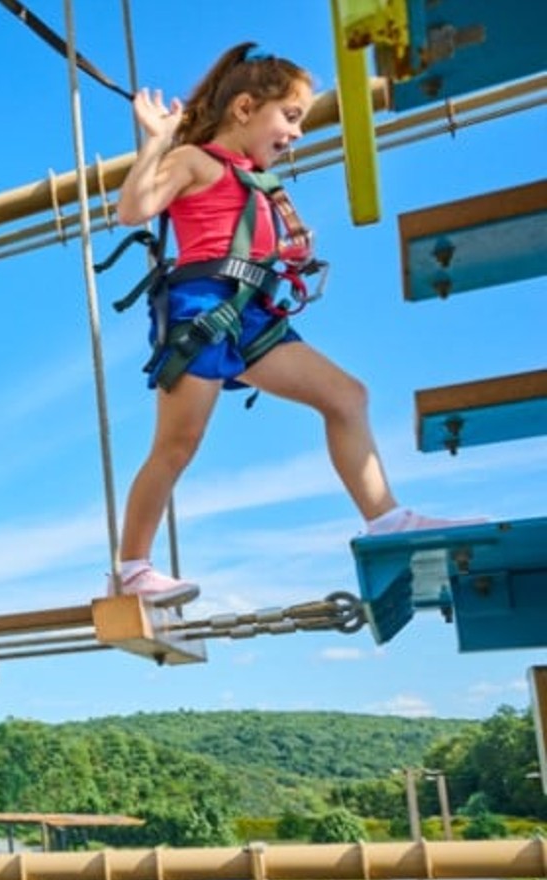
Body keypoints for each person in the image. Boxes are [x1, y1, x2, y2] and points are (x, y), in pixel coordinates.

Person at [108, 42, 477, 604]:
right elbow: (133, 211)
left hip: (254, 313)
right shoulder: (195, 160)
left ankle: (385, 519)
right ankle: (131, 568)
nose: (298, 133)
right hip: (203, 309)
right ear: (244, 109)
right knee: (178, 442)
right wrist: (158, 142)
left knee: (347, 396)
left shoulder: (262, 184)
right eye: (291, 116)